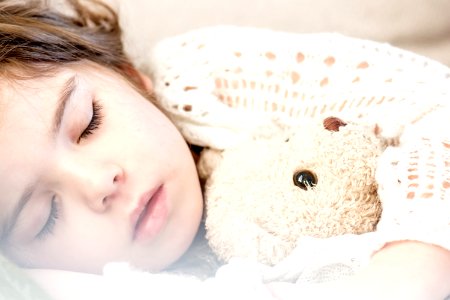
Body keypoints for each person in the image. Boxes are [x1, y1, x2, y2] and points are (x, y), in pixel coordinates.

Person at [0, 1, 449, 299]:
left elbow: (433, 100)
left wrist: (418, 258)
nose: (100, 182)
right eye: (46, 217)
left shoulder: (205, 77)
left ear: (129, 75)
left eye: (89, 123)